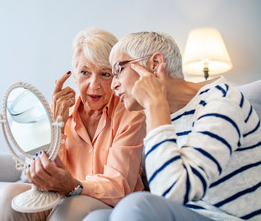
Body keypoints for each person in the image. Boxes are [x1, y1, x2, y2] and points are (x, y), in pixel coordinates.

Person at [84, 31, 261, 221]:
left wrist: (155, 104)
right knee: (97, 218)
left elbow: (171, 192)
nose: (113, 85)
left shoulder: (222, 101)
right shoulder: (162, 115)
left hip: (227, 217)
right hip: (186, 213)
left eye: (118, 70)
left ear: (155, 64)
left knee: (135, 206)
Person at [0, 28, 146, 221]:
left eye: (104, 74)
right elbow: (39, 170)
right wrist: (57, 127)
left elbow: (119, 185)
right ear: (74, 75)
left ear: (115, 77)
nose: (94, 85)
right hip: (59, 195)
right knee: (8, 197)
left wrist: (73, 186)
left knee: (71, 206)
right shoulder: (58, 110)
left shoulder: (130, 113)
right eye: (85, 72)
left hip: (109, 203)